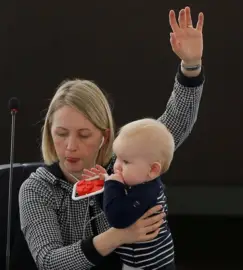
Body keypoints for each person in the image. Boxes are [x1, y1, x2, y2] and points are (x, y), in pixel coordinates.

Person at [18, 6, 205, 270]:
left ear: (105, 136)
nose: (70, 146)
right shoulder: (38, 189)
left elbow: (176, 122)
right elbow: (49, 262)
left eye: (84, 135)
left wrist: (191, 66)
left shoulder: (124, 164)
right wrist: (120, 235)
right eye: (61, 134)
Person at [81, 118, 176, 269]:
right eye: (116, 158)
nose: (117, 166)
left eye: (125, 161)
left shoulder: (147, 192)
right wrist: (104, 186)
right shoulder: (135, 181)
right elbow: (108, 208)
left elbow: (117, 219)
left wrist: (112, 184)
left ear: (152, 170)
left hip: (153, 266)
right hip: (133, 262)